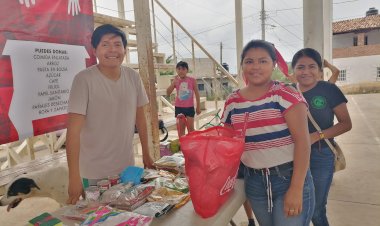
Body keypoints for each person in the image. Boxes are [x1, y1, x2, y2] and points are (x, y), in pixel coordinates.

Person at [221, 40, 315, 226]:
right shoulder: (232, 102)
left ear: (274, 65)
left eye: (263, 61)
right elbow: (227, 144)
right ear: (242, 66)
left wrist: (296, 189)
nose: (255, 67)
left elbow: (303, 143)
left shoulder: (285, 95)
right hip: (254, 183)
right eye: (249, 61)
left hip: (288, 178)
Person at [66, 24, 154, 204]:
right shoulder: (83, 80)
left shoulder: (133, 77)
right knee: (98, 218)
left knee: (125, 216)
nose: (112, 49)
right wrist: (74, 176)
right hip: (94, 174)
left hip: (126, 169)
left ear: (124, 49)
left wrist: (146, 153)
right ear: (95, 50)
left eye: (117, 44)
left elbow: (141, 120)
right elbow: (73, 133)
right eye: (105, 44)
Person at [291, 48, 352, 226]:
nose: (306, 71)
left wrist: (317, 136)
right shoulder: (288, 92)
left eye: (312, 66)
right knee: (297, 207)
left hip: (320, 154)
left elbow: (346, 123)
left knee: (316, 210)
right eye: (300, 67)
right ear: (294, 71)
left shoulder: (329, 89)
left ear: (319, 70)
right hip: (292, 157)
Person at [166, 61, 201, 137]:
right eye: (179, 69)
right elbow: (168, 92)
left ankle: (192, 145)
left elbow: (197, 94)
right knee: (181, 130)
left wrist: (198, 107)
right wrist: (173, 83)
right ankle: (183, 146)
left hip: (189, 107)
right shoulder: (176, 81)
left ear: (187, 70)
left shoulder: (192, 80)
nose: (181, 71)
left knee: (191, 129)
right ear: (176, 70)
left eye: (183, 69)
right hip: (179, 108)